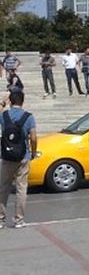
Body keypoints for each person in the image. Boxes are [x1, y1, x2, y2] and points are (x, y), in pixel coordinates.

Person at [0, 90, 37, 228]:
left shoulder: (4, 116)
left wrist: (2, 102)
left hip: (7, 156)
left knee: (3, 188)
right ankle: (19, 220)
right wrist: (33, 152)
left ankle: (0, 219)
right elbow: (33, 137)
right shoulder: (28, 117)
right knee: (21, 189)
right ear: (23, 101)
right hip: (23, 156)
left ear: (10, 101)